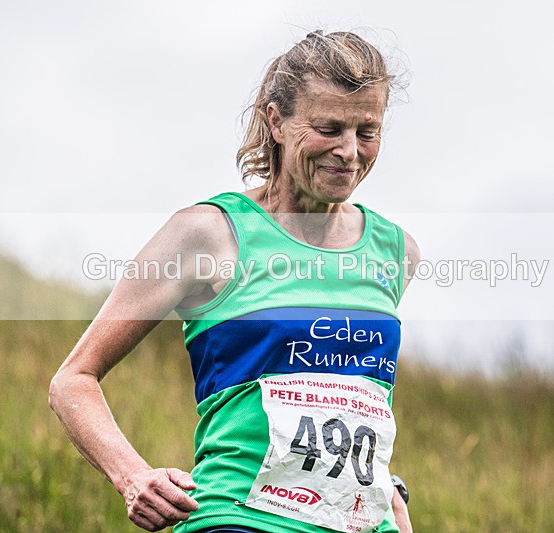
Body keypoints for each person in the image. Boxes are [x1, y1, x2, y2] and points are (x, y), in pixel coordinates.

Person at [49, 30, 419, 533]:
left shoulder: (395, 251)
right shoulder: (207, 234)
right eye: (329, 128)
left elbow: (356, 400)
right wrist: (133, 476)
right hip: (239, 520)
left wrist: (386, 487)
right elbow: (73, 380)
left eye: (367, 131)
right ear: (277, 121)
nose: (350, 152)